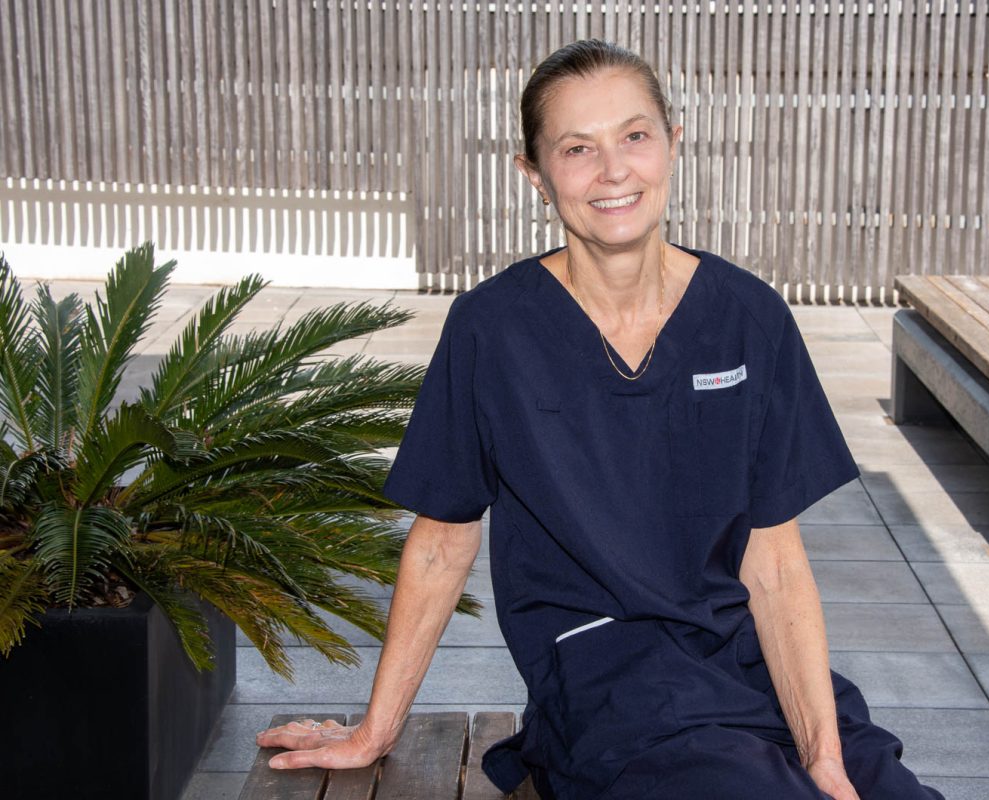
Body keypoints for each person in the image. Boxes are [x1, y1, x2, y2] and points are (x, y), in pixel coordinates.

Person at [256, 39, 945, 800]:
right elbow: (442, 541)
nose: (614, 171)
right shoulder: (494, 329)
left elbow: (774, 560)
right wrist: (375, 732)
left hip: (738, 662)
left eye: (635, 136)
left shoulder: (748, 317)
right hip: (602, 673)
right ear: (535, 175)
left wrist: (824, 755)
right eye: (578, 148)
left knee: (885, 786)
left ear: (673, 146)